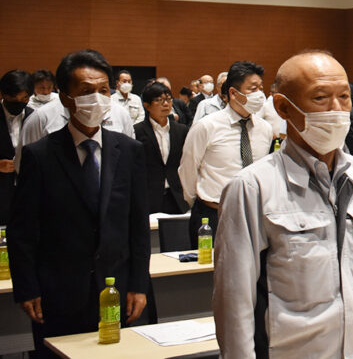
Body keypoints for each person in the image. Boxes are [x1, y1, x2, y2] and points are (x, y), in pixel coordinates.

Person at [214, 50, 353, 357]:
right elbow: (234, 303)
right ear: (283, 107)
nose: (336, 110)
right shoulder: (252, 187)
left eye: (343, 97)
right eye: (320, 98)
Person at [9, 49, 149, 355]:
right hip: (57, 290)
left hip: (115, 287)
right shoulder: (40, 155)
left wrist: (139, 284)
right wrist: (27, 287)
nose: (97, 99)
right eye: (86, 92)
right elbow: (23, 231)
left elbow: (138, 225)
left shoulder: (129, 151)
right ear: (65, 98)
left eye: (103, 90)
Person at [179, 61, 275, 246]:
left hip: (254, 215)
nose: (259, 94)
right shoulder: (206, 126)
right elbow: (188, 169)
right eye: (253, 89)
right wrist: (197, 201)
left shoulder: (265, 129)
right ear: (233, 93)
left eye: (261, 88)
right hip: (214, 214)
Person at [134, 81, 188, 214]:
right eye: (159, 100)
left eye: (168, 99)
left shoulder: (181, 130)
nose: (166, 104)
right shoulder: (137, 131)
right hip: (149, 196)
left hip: (176, 196)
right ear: (147, 105)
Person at [1, 70, 33, 223]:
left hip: (27, 186)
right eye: (14, 98)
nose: (19, 102)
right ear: (3, 94)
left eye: (24, 98)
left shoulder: (35, 117)